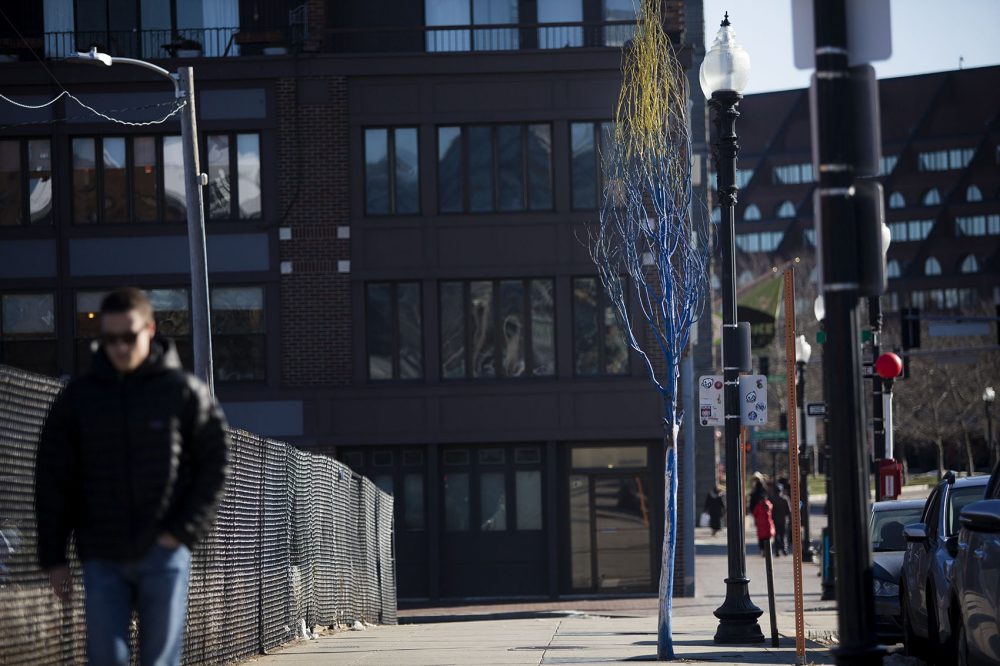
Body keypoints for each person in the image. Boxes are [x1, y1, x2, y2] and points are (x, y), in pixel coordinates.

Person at [34, 288, 230, 666]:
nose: (120, 347)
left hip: (165, 548)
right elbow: (53, 479)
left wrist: (183, 531)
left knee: (159, 660)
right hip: (102, 551)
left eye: (129, 337)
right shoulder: (78, 399)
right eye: (109, 339)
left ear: (151, 330)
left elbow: (215, 465)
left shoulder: (183, 392)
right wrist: (53, 556)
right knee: (106, 658)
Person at [751, 483, 774, 558]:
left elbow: (755, 513)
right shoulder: (769, 504)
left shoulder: (758, 506)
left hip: (760, 524)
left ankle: (762, 550)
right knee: (767, 538)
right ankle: (767, 550)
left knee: (761, 538)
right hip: (768, 524)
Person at [770, 482, 791, 556]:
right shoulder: (785, 499)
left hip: (775, 519)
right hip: (784, 520)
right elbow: (789, 511)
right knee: (784, 535)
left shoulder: (772, 499)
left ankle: (777, 551)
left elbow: (771, 510)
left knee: (776, 536)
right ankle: (784, 549)